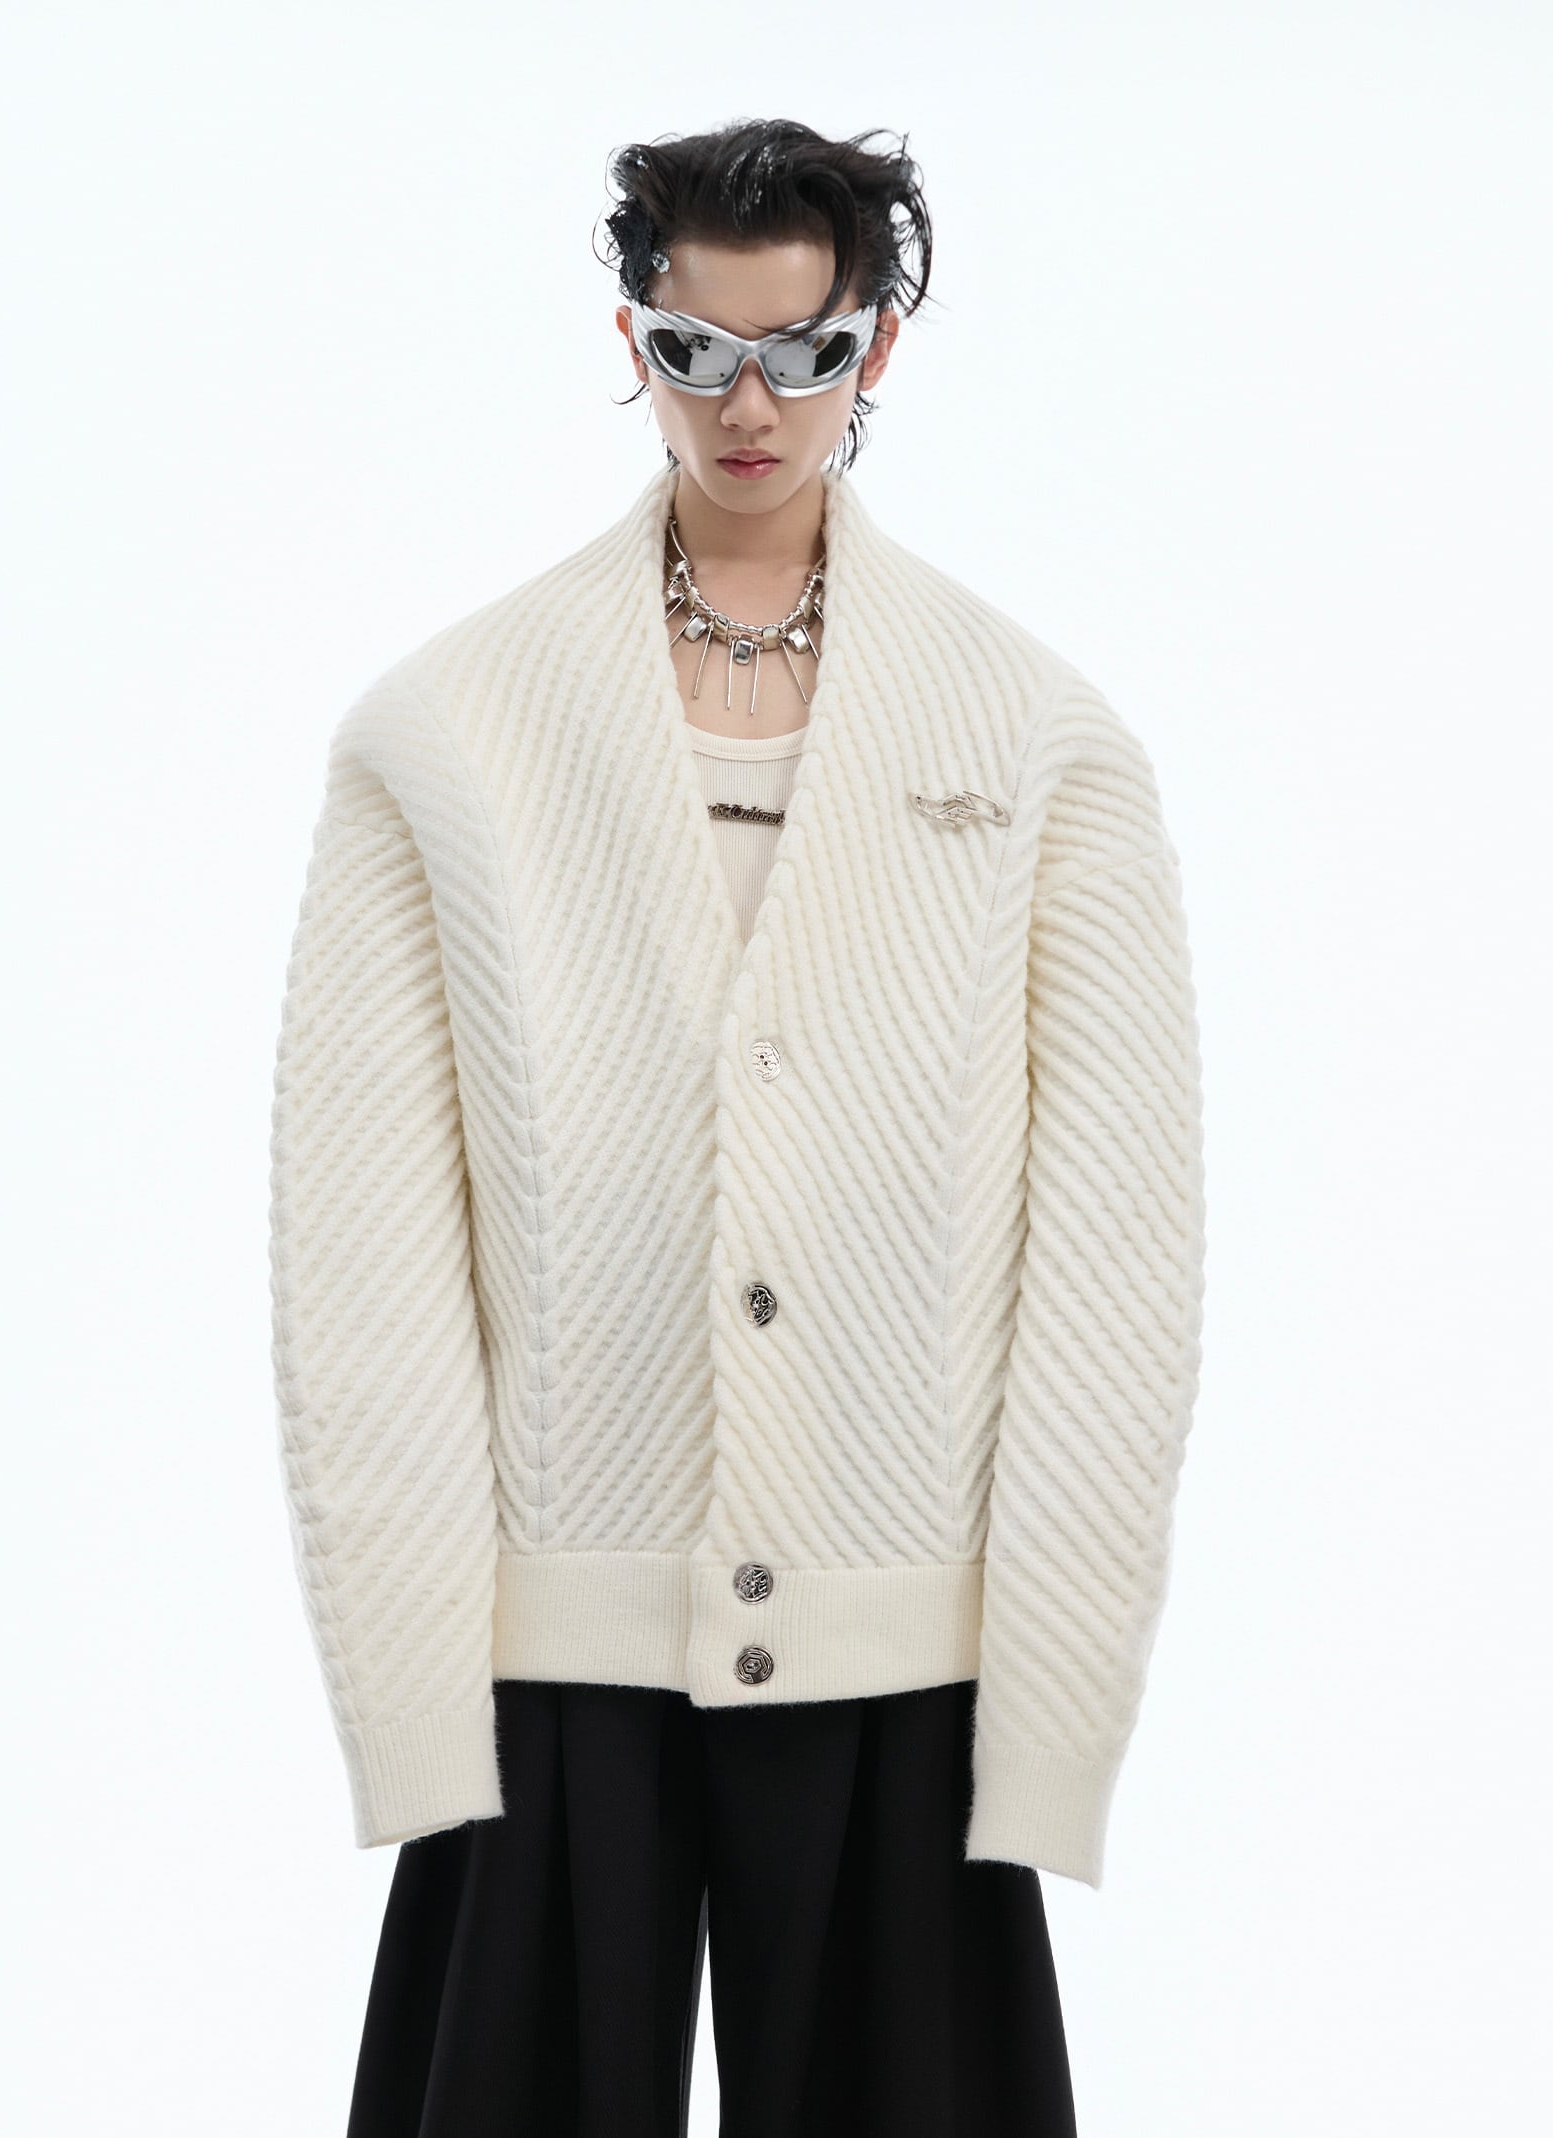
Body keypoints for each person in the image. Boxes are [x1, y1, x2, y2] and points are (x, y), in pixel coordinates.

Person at [268, 118, 1208, 2138]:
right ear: (636, 340)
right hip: (549, 1656)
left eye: (808, 352)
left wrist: (1048, 1711)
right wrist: (414, 1698)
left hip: (902, 1649)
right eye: (699, 353)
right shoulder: (445, 738)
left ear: (880, 350)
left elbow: (1112, 1269)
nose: (753, 406)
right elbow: (364, 1264)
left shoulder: (1039, 744)